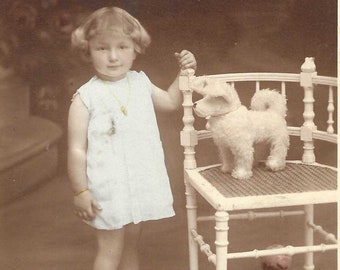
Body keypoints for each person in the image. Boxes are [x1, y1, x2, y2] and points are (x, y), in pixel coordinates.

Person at [67, 6, 197, 270]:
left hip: (137, 184)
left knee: (131, 245)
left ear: (136, 47)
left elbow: (172, 102)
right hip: (109, 188)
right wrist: (80, 191)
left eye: (122, 47)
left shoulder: (140, 83)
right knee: (110, 248)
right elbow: (76, 149)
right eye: (102, 48)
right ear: (87, 51)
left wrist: (185, 73)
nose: (113, 57)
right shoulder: (86, 97)